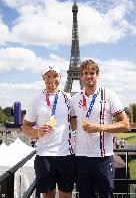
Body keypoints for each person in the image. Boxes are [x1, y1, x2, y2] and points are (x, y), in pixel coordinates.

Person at [70, 59, 130, 198]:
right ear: (81, 76)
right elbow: (70, 123)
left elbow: (126, 124)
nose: (89, 76)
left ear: (98, 75)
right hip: (81, 157)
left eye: (92, 73)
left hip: (103, 158)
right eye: (85, 73)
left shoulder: (109, 95)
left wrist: (99, 127)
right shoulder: (74, 99)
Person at [22, 65, 75, 198]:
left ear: (60, 78)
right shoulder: (36, 99)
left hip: (66, 154)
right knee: (48, 196)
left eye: (55, 75)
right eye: (48, 76)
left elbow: (74, 123)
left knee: (66, 195)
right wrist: (38, 132)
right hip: (44, 155)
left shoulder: (69, 98)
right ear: (43, 78)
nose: (52, 79)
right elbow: (25, 128)